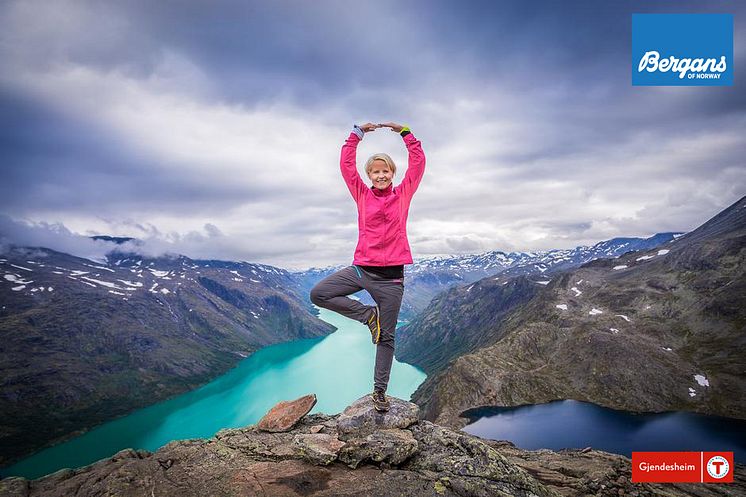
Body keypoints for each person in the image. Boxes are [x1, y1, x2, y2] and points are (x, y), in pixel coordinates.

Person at [310, 121, 426, 412]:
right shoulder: (362, 194)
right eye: (376, 171)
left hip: (391, 281)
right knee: (319, 294)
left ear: (392, 174)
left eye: (386, 170)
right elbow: (346, 164)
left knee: (386, 338)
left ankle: (379, 393)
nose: (381, 175)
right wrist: (356, 134)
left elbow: (419, 163)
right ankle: (367, 317)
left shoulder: (403, 194)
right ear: (369, 175)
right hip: (361, 269)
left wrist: (405, 133)